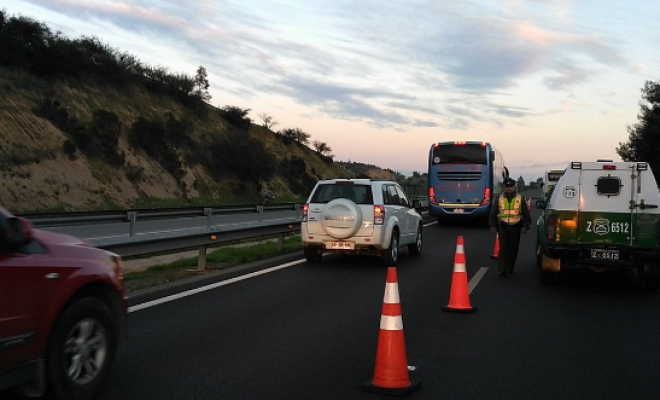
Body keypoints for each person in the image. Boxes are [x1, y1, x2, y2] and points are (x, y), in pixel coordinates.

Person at [489, 177, 532, 276]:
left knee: (513, 248)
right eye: (506, 186)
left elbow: (526, 215)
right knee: (503, 248)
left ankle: (510, 267)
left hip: (515, 227)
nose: (508, 188)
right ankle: (501, 269)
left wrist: (525, 226)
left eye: (510, 186)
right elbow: (493, 213)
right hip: (503, 226)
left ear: (514, 187)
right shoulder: (499, 199)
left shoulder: (520, 199)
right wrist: (492, 225)